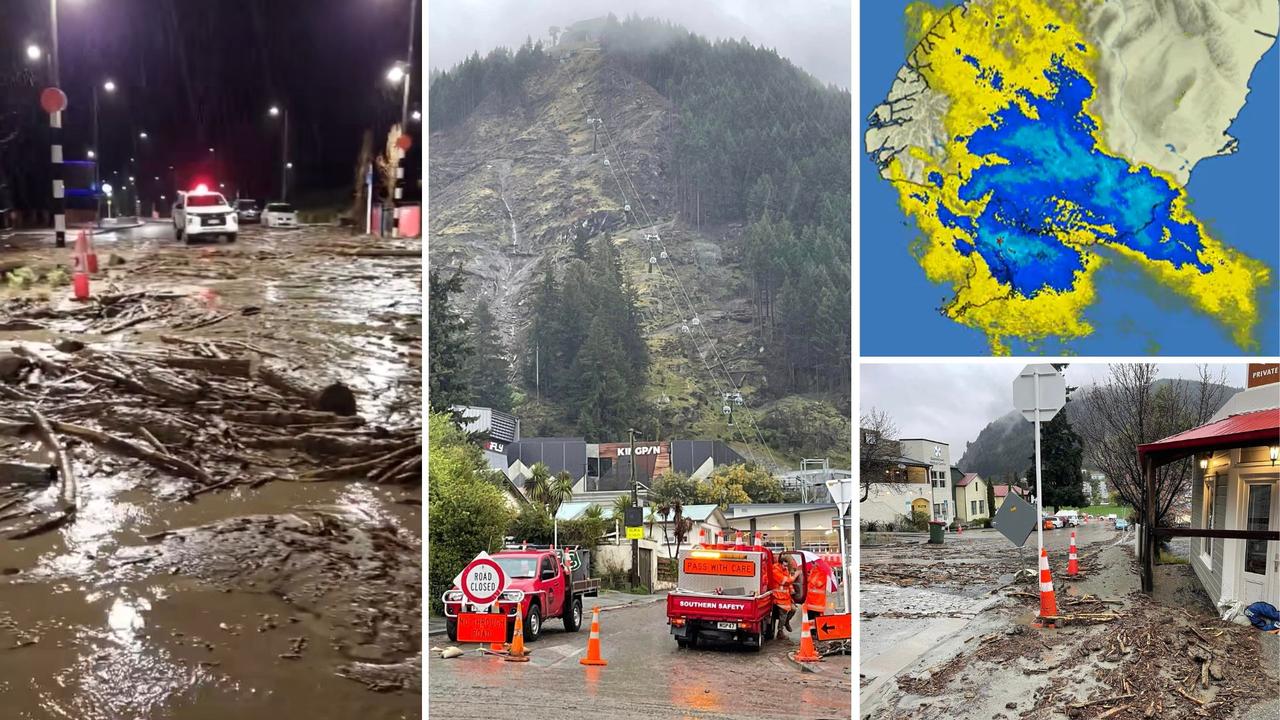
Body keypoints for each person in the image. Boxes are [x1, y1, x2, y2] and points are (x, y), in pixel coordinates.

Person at [770, 555, 800, 639]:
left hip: (786, 597)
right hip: (778, 597)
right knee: (783, 614)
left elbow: (788, 582)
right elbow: (786, 581)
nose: (786, 567)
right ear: (780, 564)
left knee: (793, 610)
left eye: (787, 565)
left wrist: (792, 589)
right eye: (784, 565)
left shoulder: (785, 569)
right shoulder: (775, 571)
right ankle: (780, 632)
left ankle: (786, 622)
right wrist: (795, 576)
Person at [804, 560, 828, 640]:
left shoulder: (822, 573)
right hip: (810, 600)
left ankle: (817, 633)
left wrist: (810, 580)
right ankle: (812, 633)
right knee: (811, 619)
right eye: (812, 563)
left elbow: (818, 583)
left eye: (813, 563)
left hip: (818, 601)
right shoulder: (812, 572)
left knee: (817, 618)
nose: (813, 565)